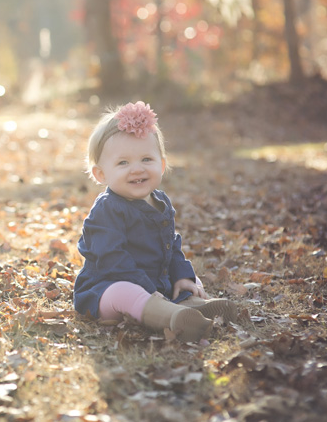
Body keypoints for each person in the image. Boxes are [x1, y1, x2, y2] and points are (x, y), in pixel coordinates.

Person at [73, 101, 237, 342]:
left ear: (161, 164)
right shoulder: (107, 209)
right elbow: (112, 260)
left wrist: (182, 276)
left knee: (186, 282)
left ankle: (190, 306)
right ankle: (172, 317)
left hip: (155, 287)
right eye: (123, 163)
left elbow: (171, 244)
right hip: (106, 290)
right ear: (101, 174)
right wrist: (147, 290)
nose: (137, 169)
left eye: (146, 159)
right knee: (124, 292)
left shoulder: (160, 201)